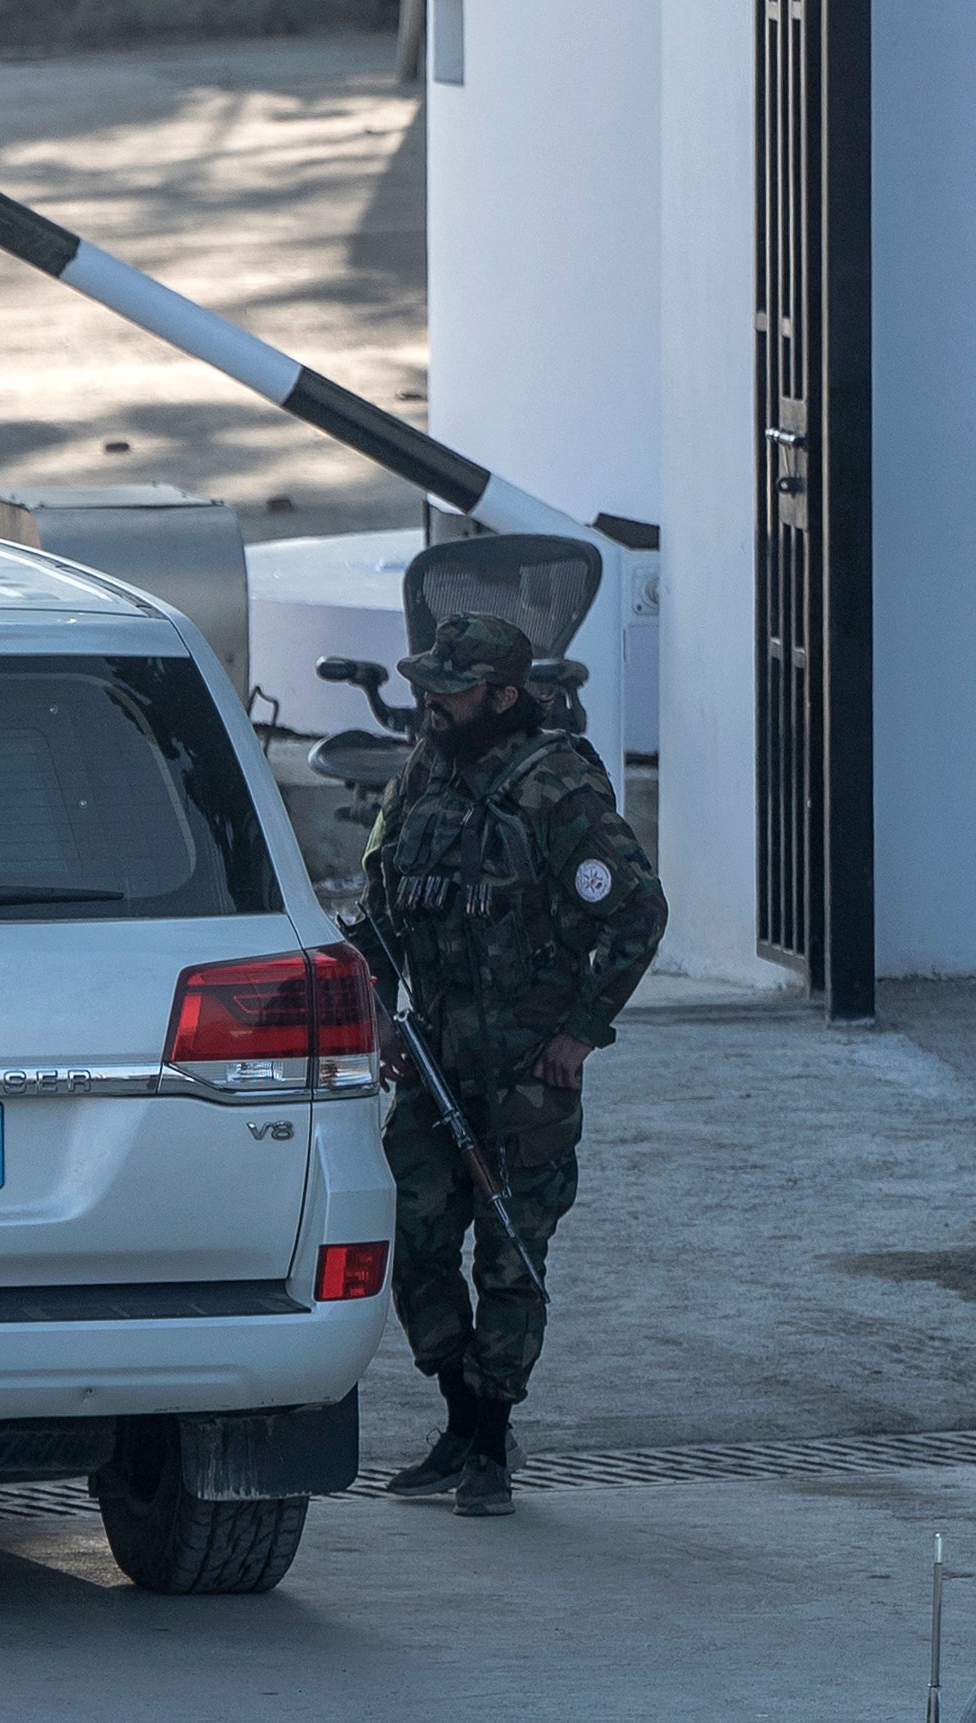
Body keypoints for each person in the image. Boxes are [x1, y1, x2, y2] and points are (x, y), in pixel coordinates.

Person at [351, 611, 666, 1518]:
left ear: (500, 694)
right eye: (426, 687)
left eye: (449, 690)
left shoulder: (556, 787)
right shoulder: (423, 771)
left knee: (509, 1259)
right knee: (409, 1239)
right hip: (434, 1064)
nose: (430, 702)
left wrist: (580, 1031)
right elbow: (375, 896)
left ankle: (490, 1441)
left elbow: (637, 915)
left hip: (528, 1074)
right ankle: (457, 1413)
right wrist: (377, 1007)